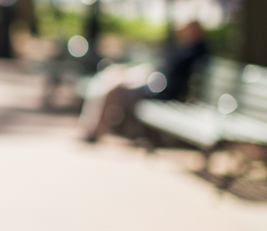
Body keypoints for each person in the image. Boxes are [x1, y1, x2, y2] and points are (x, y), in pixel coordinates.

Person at [79, 20, 209, 142]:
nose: (183, 32)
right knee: (111, 78)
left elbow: (174, 78)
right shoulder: (185, 48)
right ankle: (91, 128)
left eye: (188, 29)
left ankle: (94, 131)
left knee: (114, 90)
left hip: (160, 90)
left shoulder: (194, 51)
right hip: (156, 82)